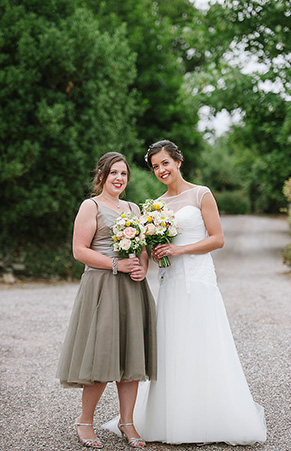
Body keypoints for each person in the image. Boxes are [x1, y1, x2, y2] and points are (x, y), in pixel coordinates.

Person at [103, 140, 267, 446]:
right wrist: (148, 250)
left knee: (205, 343)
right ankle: (172, 417)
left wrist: (180, 249)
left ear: (178, 161)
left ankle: (210, 417)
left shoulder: (201, 193)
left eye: (165, 163)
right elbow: (154, 252)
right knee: (172, 346)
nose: (161, 170)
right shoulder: (156, 206)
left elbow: (217, 239)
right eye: (154, 167)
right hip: (171, 281)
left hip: (200, 279)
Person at [56, 152, 157, 449]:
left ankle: (127, 422)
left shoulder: (133, 208)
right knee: (102, 354)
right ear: (101, 176)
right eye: (114, 172)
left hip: (131, 288)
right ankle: (84, 421)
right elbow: (79, 250)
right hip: (102, 285)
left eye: (124, 174)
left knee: (131, 355)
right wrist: (116, 265)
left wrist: (141, 267)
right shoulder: (91, 206)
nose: (119, 178)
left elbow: (141, 249)